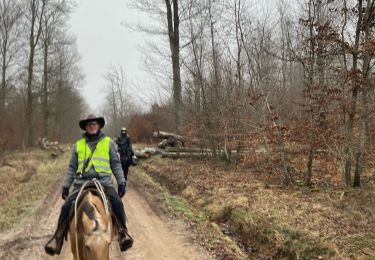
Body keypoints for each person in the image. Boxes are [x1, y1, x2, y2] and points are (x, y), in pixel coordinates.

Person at [44, 114, 133, 256]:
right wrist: (66, 186)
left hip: (103, 182)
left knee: (117, 203)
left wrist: (121, 182)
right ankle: (58, 237)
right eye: (89, 124)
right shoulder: (78, 145)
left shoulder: (108, 143)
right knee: (66, 206)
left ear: (99, 126)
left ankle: (123, 233)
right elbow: (72, 167)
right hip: (82, 183)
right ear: (85, 127)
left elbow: (116, 164)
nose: (92, 126)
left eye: (95, 123)